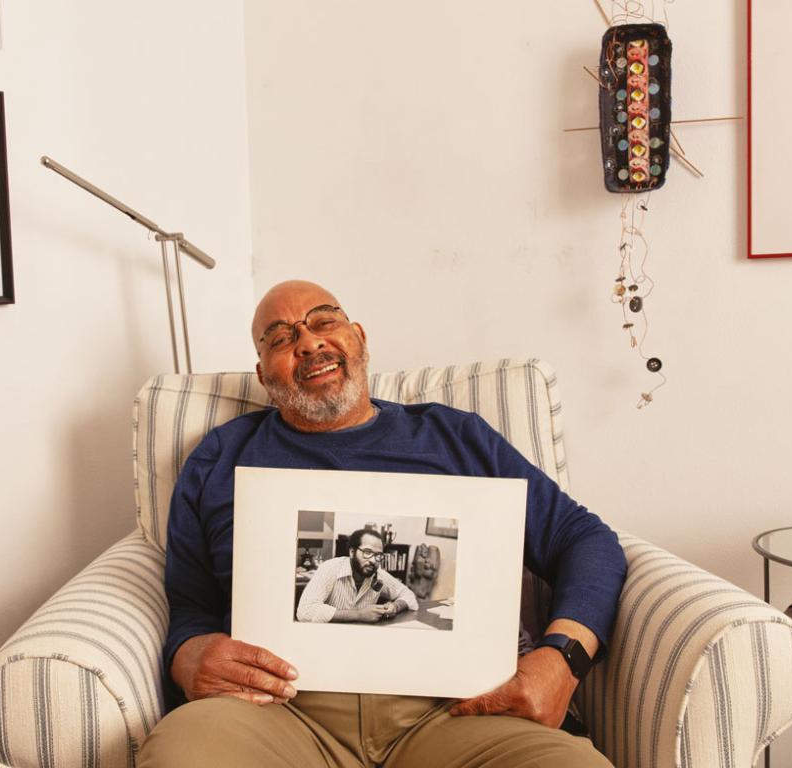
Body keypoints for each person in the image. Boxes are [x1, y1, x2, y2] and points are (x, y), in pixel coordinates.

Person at [138, 280, 628, 768]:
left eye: (324, 321)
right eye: (281, 338)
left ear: (359, 338)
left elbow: (583, 539)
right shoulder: (219, 458)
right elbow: (191, 605)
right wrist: (189, 656)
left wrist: (563, 658)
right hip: (280, 710)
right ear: (264, 375)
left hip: (459, 711)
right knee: (181, 753)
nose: (308, 342)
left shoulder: (455, 437)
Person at [295, 528, 418, 623]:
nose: (373, 560)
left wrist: (395, 606)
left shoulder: (378, 574)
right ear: (352, 552)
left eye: (378, 555)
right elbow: (305, 611)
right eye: (367, 552)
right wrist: (359, 614)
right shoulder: (330, 568)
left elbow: (409, 595)